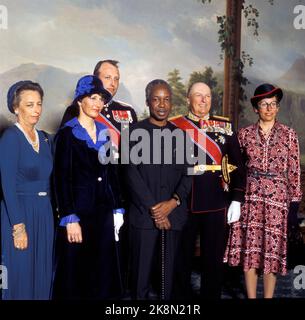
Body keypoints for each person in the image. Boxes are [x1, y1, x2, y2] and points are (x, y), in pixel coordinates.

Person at [225, 83, 302, 298]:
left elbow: (294, 172)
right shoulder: (244, 135)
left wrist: (294, 206)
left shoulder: (289, 135)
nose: (269, 108)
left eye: (273, 104)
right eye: (264, 104)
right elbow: (235, 169)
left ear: (277, 108)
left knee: (271, 253)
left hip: (278, 201)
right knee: (250, 250)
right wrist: (234, 199)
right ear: (256, 108)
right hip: (250, 198)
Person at [170, 82, 246, 299]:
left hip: (216, 199)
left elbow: (238, 164)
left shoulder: (225, 126)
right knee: (180, 258)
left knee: (213, 260)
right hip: (183, 199)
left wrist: (237, 198)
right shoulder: (174, 126)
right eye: (198, 96)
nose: (204, 100)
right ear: (188, 99)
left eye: (208, 96)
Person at [52, 75, 124, 299]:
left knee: (102, 277)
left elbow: (112, 174)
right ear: (79, 100)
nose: (98, 103)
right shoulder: (66, 134)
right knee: (76, 277)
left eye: (101, 99)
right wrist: (69, 217)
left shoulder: (105, 133)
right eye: (92, 97)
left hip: (103, 216)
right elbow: (61, 180)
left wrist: (117, 209)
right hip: (78, 217)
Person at [125, 79, 192, 300]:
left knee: (167, 282)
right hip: (144, 218)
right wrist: (155, 209)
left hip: (173, 218)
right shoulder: (133, 133)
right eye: (156, 99)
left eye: (166, 99)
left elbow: (188, 174)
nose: (162, 104)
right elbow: (130, 174)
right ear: (147, 102)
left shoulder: (181, 136)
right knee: (140, 281)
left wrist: (172, 203)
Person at [0, 80, 54, 299]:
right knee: (18, 276)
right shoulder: (10, 138)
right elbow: (7, 185)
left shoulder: (43, 137)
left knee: (41, 274)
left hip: (43, 213)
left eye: (39, 104)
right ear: (16, 108)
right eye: (30, 105)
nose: (37, 110)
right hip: (19, 215)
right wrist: (18, 227)